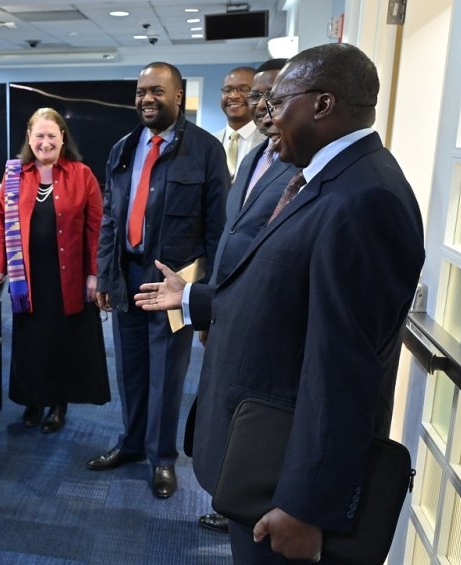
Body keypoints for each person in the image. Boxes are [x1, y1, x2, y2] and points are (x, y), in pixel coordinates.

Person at [135, 43, 424, 563]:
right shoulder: (322, 178)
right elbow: (281, 294)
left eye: (279, 101)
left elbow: (345, 369)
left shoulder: (367, 198)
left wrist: (305, 504)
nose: (267, 115)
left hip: (285, 479)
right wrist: (196, 299)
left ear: (322, 105)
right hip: (260, 449)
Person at [90, 61, 228, 499]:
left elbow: (217, 230)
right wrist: (106, 276)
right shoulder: (123, 148)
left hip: (173, 285)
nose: (147, 99)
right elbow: (111, 218)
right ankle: (131, 443)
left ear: (179, 97)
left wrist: (206, 299)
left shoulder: (205, 151)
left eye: (157, 91)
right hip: (129, 277)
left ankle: (162, 458)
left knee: (167, 374)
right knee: (130, 369)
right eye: (141, 91)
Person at [193, 57, 297, 534]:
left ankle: (241, 501)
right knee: (226, 407)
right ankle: (228, 495)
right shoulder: (256, 159)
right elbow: (227, 238)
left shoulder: (301, 168)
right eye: (257, 96)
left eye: (271, 95)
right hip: (225, 308)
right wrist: (207, 306)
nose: (260, 105)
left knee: (252, 416)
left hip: (262, 323)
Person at [0, 107, 109, 434]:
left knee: (60, 342)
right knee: (30, 342)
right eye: (39, 135)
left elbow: (98, 230)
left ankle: (58, 403)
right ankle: (33, 400)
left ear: (62, 138)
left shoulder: (82, 174)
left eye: (52, 135)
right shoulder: (14, 175)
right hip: (27, 278)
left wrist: (95, 274)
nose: (45, 142)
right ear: (29, 138)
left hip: (67, 277)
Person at [213, 66, 267, 179]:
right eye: (227, 90)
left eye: (244, 89)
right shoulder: (209, 142)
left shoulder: (270, 142)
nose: (234, 96)